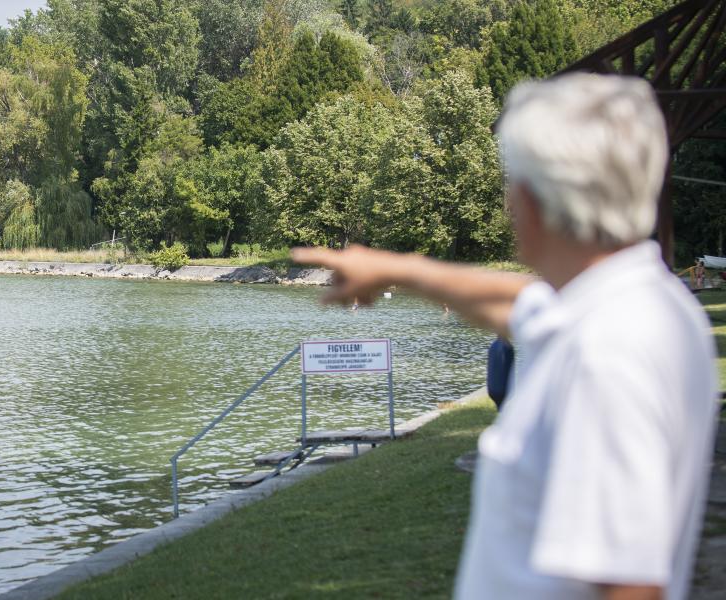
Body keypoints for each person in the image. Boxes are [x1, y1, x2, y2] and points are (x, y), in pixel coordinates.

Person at [293, 73, 718, 600]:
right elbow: (521, 305)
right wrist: (397, 270)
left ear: (531, 201)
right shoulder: (644, 302)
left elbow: (630, 585)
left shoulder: (606, 353)